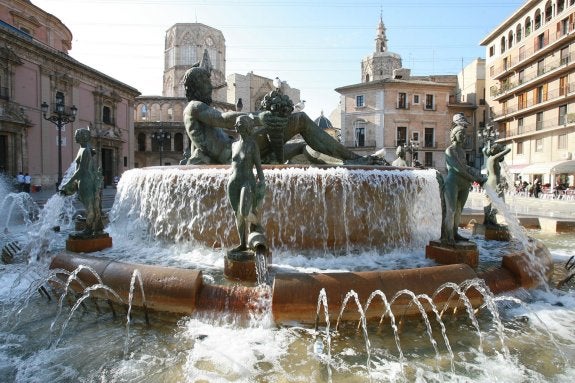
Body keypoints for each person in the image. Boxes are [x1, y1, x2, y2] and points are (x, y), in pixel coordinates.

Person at [182, 56, 377, 165]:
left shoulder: (194, 112)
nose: (210, 86)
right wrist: (261, 117)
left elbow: (199, 146)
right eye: (206, 82)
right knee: (299, 119)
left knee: (301, 146)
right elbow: (225, 119)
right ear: (197, 85)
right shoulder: (195, 106)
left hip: (237, 148)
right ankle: (353, 159)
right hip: (235, 152)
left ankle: (339, 167)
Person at [441, 114, 486, 244]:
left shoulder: (462, 151)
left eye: (464, 134)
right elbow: (457, 169)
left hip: (464, 184)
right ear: (454, 135)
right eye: (460, 133)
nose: (463, 136)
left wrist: (477, 175)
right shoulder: (450, 150)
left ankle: (455, 233)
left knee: (459, 210)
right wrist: (473, 178)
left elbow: (465, 166)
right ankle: (448, 236)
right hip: (453, 183)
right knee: (451, 210)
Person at [227, 115, 266, 252]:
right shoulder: (234, 145)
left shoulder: (252, 144)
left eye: (240, 124)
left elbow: (258, 166)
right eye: (237, 124)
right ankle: (242, 244)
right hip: (233, 182)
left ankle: (257, 223)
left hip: (247, 181)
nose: (237, 126)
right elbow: (233, 164)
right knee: (237, 214)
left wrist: (262, 181)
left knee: (244, 212)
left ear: (248, 126)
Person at [59, 128, 104, 237]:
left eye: (77, 135)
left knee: (89, 207)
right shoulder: (85, 149)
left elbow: (81, 170)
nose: (75, 137)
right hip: (86, 180)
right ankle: (96, 228)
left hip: (85, 181)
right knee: (92, 207)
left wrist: (68, 183)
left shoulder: (84, 150)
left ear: (83, 137)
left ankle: (88, 230)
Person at [482, 142, 511, 226]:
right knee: (502, 204)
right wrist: (503, 149)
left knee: (489, 202)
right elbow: (508, 150)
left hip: (489, 182)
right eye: (499, 150)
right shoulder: (495, 158)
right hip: (495, 182)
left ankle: (488, 221)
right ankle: (491, 216)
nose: (500, 152)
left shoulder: (489, 159)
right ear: (495, 151)